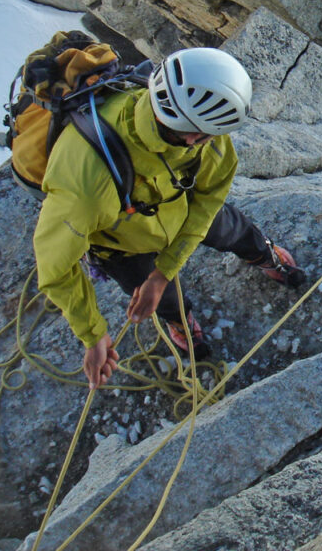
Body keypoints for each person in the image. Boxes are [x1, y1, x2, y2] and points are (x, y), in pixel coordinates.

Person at [33, 47, 301, 389]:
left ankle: (264, 254)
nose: (213, 141)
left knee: (232, 230)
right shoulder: (87, 182)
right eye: (206, 136)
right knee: (163, 299)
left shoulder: (205, 139)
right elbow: (55, 268)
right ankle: (181, 322)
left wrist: (163, 273)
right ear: (191, 134)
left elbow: (210, 196)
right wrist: (93, 334)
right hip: (122, 245)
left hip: (180, 206)